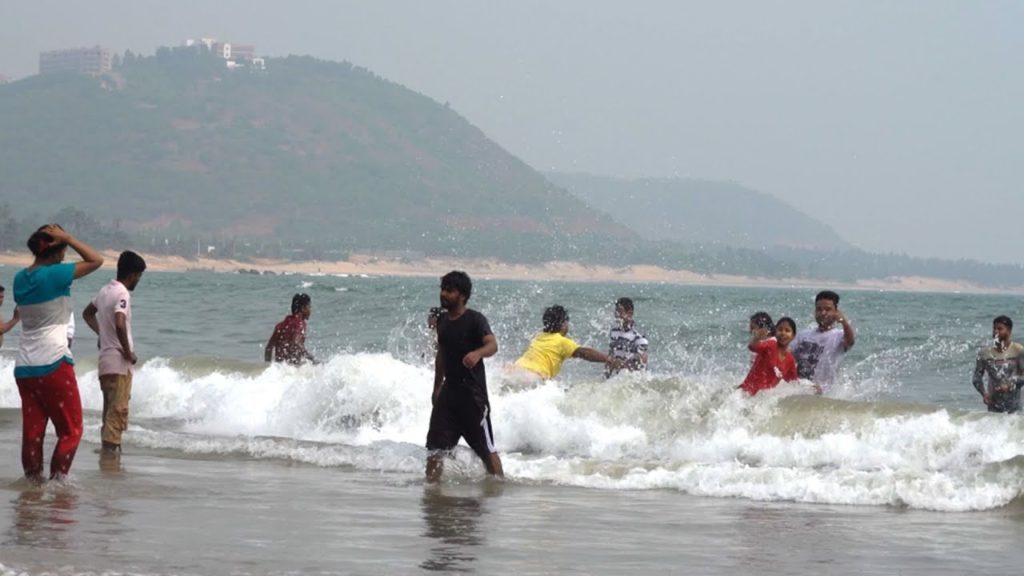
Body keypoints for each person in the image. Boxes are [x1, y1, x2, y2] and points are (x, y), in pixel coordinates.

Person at [12, 224, 103, 483]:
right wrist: (70, 237)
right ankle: (58, 483)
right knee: (71, 430)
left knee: (33, 431)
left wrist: (62, 240)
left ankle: (32, 483)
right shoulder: (56, 275)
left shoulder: (19, 278)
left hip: (25, 367)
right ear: (58, 249)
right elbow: (96, 260)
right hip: (53, 363)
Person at [426, 271, 502, 481]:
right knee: (435, 450)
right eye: (442, 289)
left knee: (486, 451)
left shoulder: (475, 319)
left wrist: (477, 354)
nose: (443, 294)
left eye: (449, 291)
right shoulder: (441, 321)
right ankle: (432, 492)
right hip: (448, 397)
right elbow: (441, 354)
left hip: (473, 398)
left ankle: (499, 487)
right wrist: (437, 387)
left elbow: (492, 345)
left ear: (462, 295)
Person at [82, 250, 147, 454]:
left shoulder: (105, 291)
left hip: (105, 362)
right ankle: (110, 460)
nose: (138, 280)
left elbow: (87, 313)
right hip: (119, 363)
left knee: (109, 413)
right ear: (132, 274)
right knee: (117, 413)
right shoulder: (122, 293)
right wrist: (128, 353)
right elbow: (120, 322)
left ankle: (107, 455)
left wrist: (102, 335)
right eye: (139, 276)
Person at [513, 305, 622, 380]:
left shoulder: (539, 336)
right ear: (563, 324)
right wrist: (609, 359)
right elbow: (585, 353)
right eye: (566, 322)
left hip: (513, 370)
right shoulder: (562, 342)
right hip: (533, 376)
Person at [790, 290, 855, 393]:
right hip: (799, 389)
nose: (823, 313)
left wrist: (844, 322)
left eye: (828, 309)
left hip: (822, 395)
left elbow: (850, 341)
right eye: (819, 309)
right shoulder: (803, 335)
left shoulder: (838, 335)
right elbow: (788, 356)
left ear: (836, 312)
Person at [972, 316, 1024, 413]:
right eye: (994, 328)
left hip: (1015, 409)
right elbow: (976, 378)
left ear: (1009, 331)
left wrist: (1009, 386)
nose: (996, 331)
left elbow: (1023, 376)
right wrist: (984, 394)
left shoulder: (1019, 351)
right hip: (993, 408)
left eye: (1000, 329)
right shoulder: (984, 353)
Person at [739, 313, 798, 395]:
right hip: (744, 394)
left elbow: (794, 383)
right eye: (780, 330)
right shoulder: (771, 344)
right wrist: (756, 338)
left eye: (787, 330)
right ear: (776, 331)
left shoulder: (790, 359)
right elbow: (752, 347)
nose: (783, 333)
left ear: (793, 336)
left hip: (762, 400)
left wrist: (808, 388)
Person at [264, 293, 315, 364]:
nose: (310, 310)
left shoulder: (280, 326)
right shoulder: (300, 323)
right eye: (309, 307)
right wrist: (310, 358)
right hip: (293, 369)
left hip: (281, 369)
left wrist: (269, 368)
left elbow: (268, 348)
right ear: (303, 308)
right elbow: (296, 342)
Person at [607, 297, 649, 376]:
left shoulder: (638, 334)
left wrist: (624, 365)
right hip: (617, 378)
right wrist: (606, 376)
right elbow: (611, 355)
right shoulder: (614, 331)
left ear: (630, 313)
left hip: (632, 378)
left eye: (620, 312)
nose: (617, 315)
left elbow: (643, 360)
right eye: (616, 311)